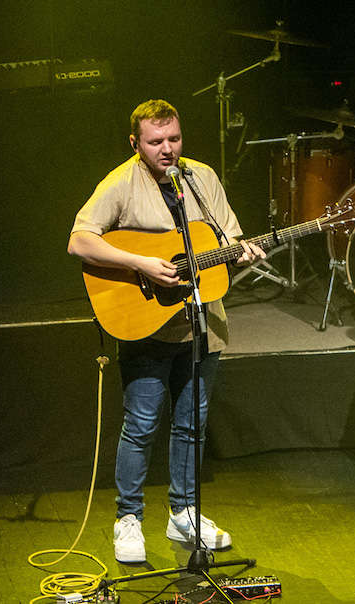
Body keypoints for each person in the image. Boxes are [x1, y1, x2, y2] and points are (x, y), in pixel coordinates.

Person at [68, 99, 265, 563]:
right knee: (141, 425)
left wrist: (243, 252)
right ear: (135, 143)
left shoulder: (201, 178)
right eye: (156, 141)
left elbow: (228, 239)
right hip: (146, 326)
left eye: (173, 139)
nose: (167, 149)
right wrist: (141, 263)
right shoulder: (120, 182)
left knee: (192, 425)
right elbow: (79, 239)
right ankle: (128, 519)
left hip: (202, 324)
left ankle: (184, 513)